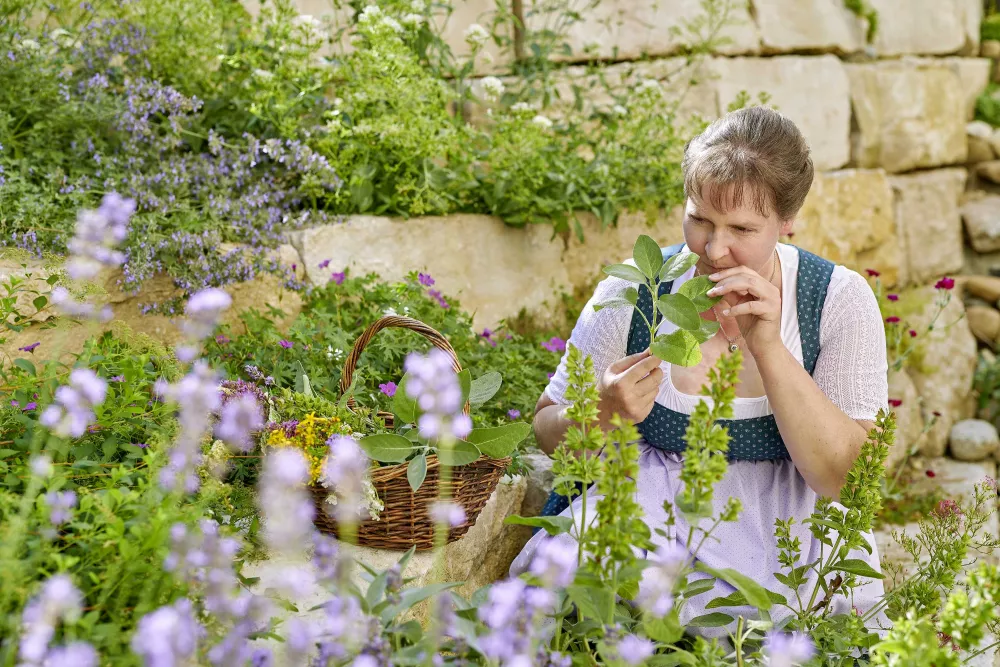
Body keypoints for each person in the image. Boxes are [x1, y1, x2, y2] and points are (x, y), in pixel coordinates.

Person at [509, 105, 891, 641]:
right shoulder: (636, 291)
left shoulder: (836, 301)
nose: (713, 249)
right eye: (700, 220)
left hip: (790, 542)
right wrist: (603, 412)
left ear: (787, 222)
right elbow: (548, 431)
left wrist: (769, 349)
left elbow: (844, 479)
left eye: (741, 228)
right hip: (647, 526)